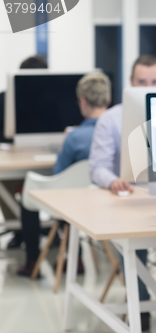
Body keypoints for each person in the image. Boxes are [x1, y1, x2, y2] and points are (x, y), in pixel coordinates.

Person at [88, 54, 156, 331]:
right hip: (129, 200)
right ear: (130, 82)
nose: (149, 86)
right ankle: (142, 305)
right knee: (132, 244)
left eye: (155, 81)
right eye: (142, 81)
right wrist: (113, 181)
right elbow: (97, 167)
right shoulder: (111, 119)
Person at [17, 72, 111, 276]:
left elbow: (59, 175)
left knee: (30, 195)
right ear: (108, 99)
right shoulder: (117, 132)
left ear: (83, 101)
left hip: (75, 205)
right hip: (107, 201)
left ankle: (32, 261)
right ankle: (73, 258)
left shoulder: (74, 138)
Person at [1, 55, 48, 249]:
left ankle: (53, 230)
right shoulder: (4, 100)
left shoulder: (51, 102)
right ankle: (19, 229)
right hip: (12, 163)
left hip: (44, 166)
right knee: (4, 185)